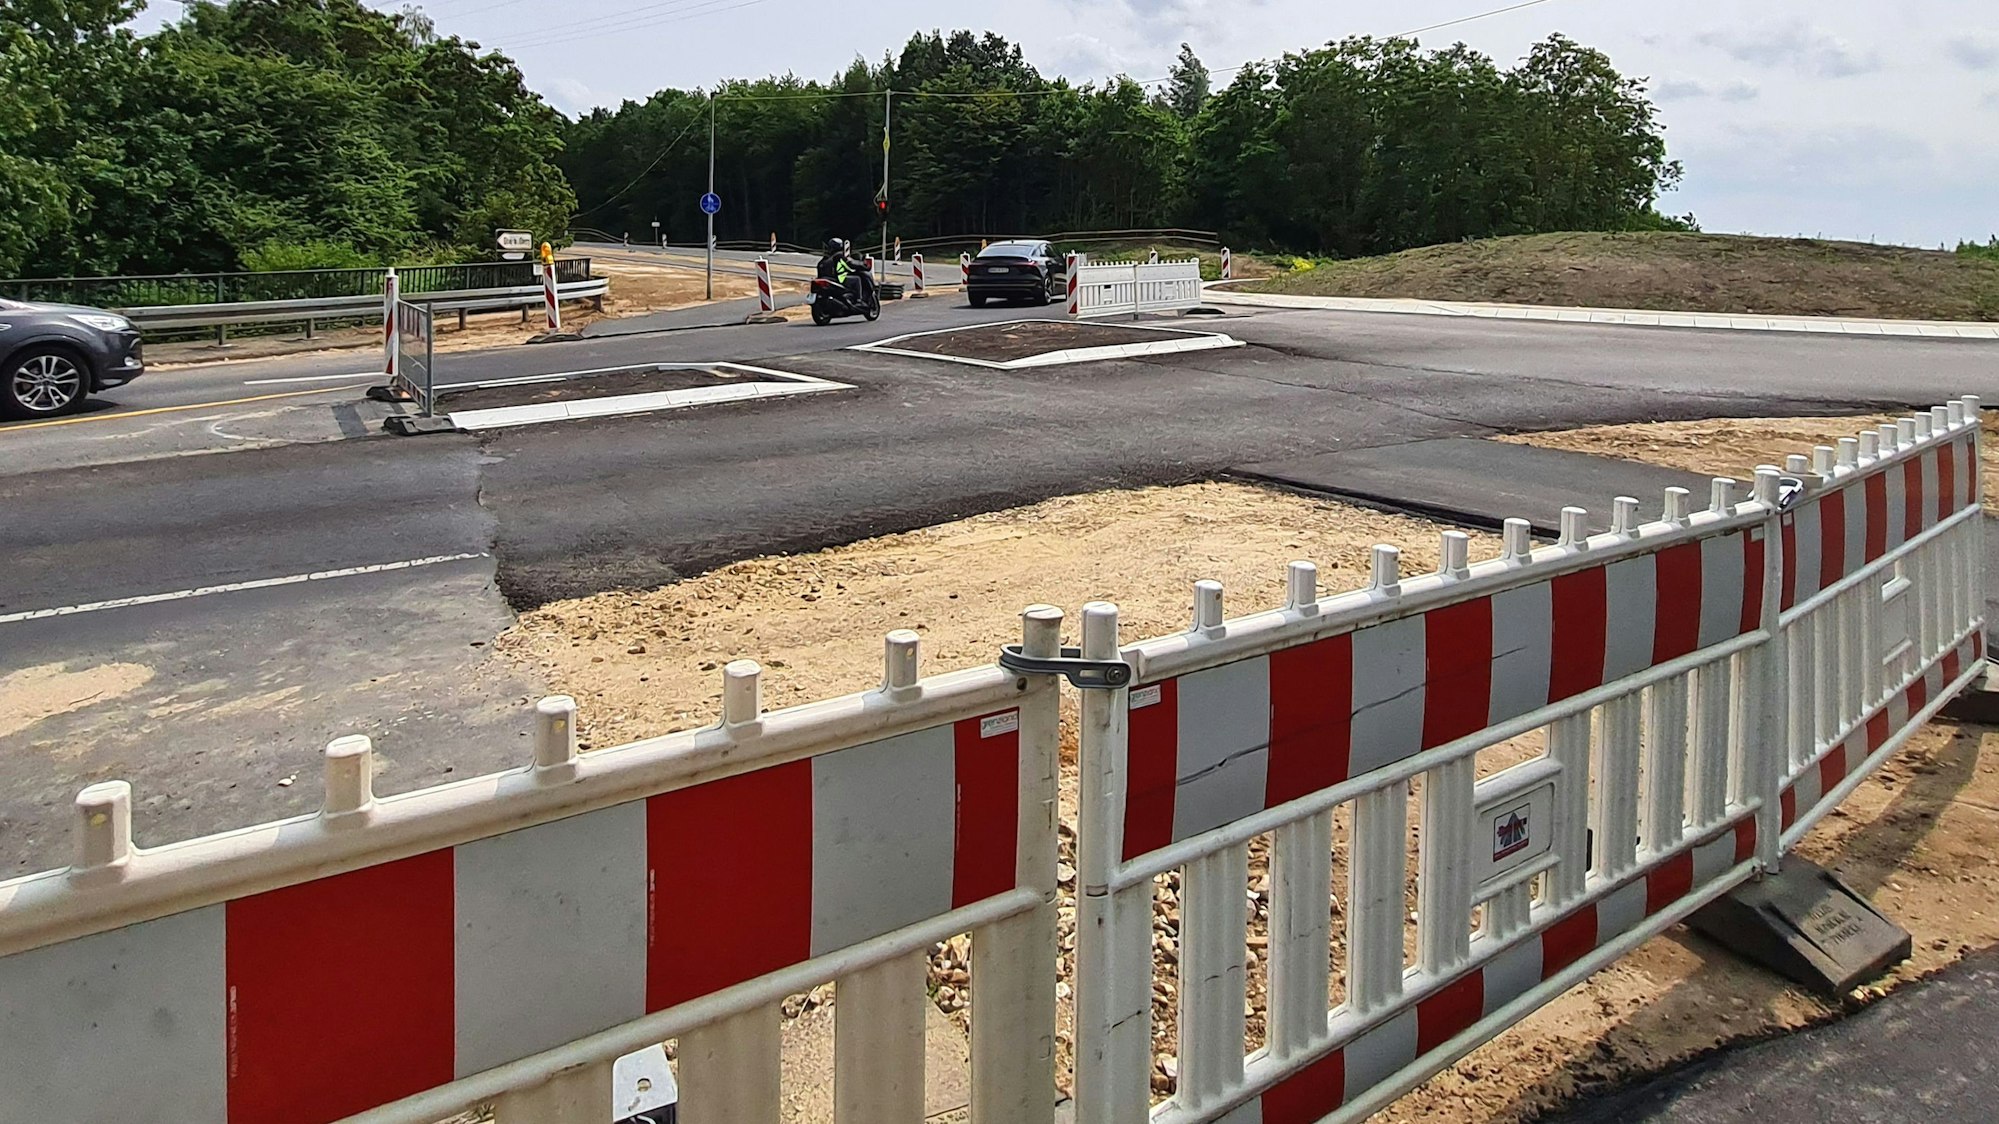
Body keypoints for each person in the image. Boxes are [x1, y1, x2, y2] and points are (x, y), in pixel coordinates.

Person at [816, 238, 874, 306]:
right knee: (857, 279)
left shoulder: (826, 258)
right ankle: (859, 300)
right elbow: (851, 263)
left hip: (828, 279)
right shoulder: (839, 255)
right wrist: (863, 265)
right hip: (839, 278)